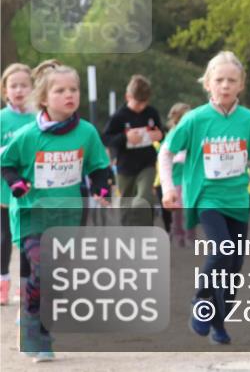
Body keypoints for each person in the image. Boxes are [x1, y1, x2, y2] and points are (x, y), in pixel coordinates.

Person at [158, 51, 250, 346]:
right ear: (208, 84)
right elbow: (166, 151)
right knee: (222, 251)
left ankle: (219, 322)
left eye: (231, 80)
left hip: (237, 198)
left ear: (241, 85)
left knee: (234, 267)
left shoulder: (248, 120)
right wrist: (168, 188)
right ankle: (201, 301)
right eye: (219, 80)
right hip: (206, 196)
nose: (225, 85)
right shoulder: (195, 119)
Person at [1, 60, 114, 362]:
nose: (69, 95)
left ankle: (35, 323)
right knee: (42, 267)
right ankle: (36, 332)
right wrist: (17, 184)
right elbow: (7, 164)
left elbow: (99, 166)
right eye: (60, 90)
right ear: (43, 98)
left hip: (67, 216)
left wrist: (103, 189)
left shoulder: (86, 133)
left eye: (74, 89)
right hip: (32, 214)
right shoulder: (29, 135)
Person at [102, 75, 164, 225]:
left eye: (145, 103)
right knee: (126, 203)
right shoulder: (119, 116)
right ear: (128, 96)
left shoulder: (151, 113)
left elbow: (162, 132)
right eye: (138, 103)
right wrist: (125, 137)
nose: (141, 107)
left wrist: (160, 134)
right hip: (125, 166)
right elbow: (106, 138)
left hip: (147, 163)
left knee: (143, 198)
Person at [0, 63, 34, 305]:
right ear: (5, 91)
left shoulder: (38, 119)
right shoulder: (2, 119)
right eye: (14, 86)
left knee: (26, 238)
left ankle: (25, 286)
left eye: (24, 85)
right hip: (4, 189)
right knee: (4, 238)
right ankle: (3, 282)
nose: (19, 90)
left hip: (32, 191)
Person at [159, 103, 196, 246]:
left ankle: (190, 235)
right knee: (178, 210)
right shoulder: (172, 135)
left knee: (191, 209)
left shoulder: (194, 135)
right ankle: (178, 233)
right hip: (176, 179)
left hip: (190, 178)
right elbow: (164, 156)